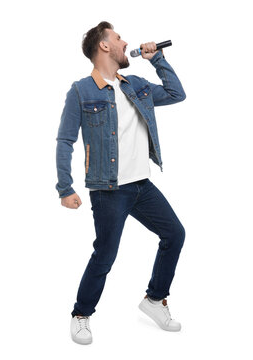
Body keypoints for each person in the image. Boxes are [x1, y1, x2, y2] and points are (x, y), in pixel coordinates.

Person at [55, 21, 186, 345]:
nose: (125, 42)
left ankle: (154, 299)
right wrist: (65, 187)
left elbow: (176, 93)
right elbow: (65, 140)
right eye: (118, 38)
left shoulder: (136, 85)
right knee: (105, 254)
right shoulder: (81, 91)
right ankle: (81, 314)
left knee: (174, 234)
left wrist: (156, 59)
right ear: (104, 46)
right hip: (108, 190)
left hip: (142, 185)